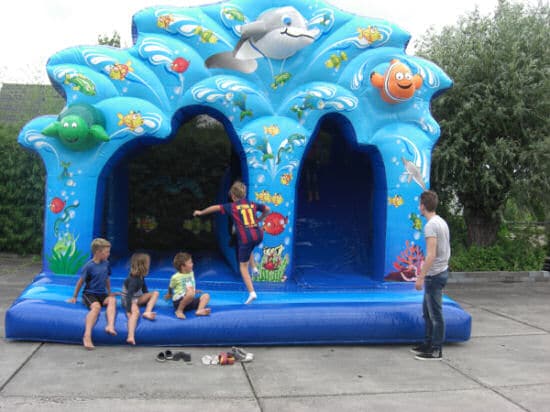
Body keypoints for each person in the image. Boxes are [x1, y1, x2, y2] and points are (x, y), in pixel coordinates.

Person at [193, 181, 270, 304]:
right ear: (244, 194)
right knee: (249, 247)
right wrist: (260, 218)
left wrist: (201, 212)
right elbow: (267, 208)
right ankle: (254, 268)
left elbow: (215, 208)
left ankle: (252, 293)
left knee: (243, 266)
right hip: (258, 234)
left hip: (245, 237)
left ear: (233, 196)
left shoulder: (232, 206)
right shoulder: (251, 204)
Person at [411, 190, 451, 360]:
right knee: (427, 313)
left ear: (423, 206)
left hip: (435, 275)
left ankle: (436, 349)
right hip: (440, 272)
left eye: (420, 204)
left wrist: (421, 276)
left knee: (435, 314)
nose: (419, 207)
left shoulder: (430, 226)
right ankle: (427, 343)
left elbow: (431, 254)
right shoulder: (441, 222)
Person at [67, 238, 117, 350]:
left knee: (112, 300)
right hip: (89, 294)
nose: (109, 254)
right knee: (96, 307)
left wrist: (109, 293)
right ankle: (87, 335)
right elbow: (81, 282)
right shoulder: (89, 266)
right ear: (98, 252)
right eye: (107, 252)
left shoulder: (106, 263)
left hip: (102, 293)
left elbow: (107, 278)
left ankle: (110, 325)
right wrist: (74, 296)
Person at [121, 253, 159, 345]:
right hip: (128, 300)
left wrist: (147, 298)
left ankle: (147, 312)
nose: (149, 265)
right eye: (148, 264)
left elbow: (144, 289)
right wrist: (128, 310)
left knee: (155, 293)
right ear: (143, 266)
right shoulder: (133, 280)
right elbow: (129, 296)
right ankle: (130, 336)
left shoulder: (141, 276)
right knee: (136, 313)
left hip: (137, 298)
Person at [165, 252, 211, 319]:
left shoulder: (191, 273)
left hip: (190, 301)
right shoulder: (175, 277)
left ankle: (199, 310)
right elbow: (170, 287)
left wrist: (195, 290)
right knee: (190, 293)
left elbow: (189, 284)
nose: (192, 264)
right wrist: (169, 294)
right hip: (179, 301)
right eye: (190, 262)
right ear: (183, 266)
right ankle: (179, 311)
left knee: (206, 296)